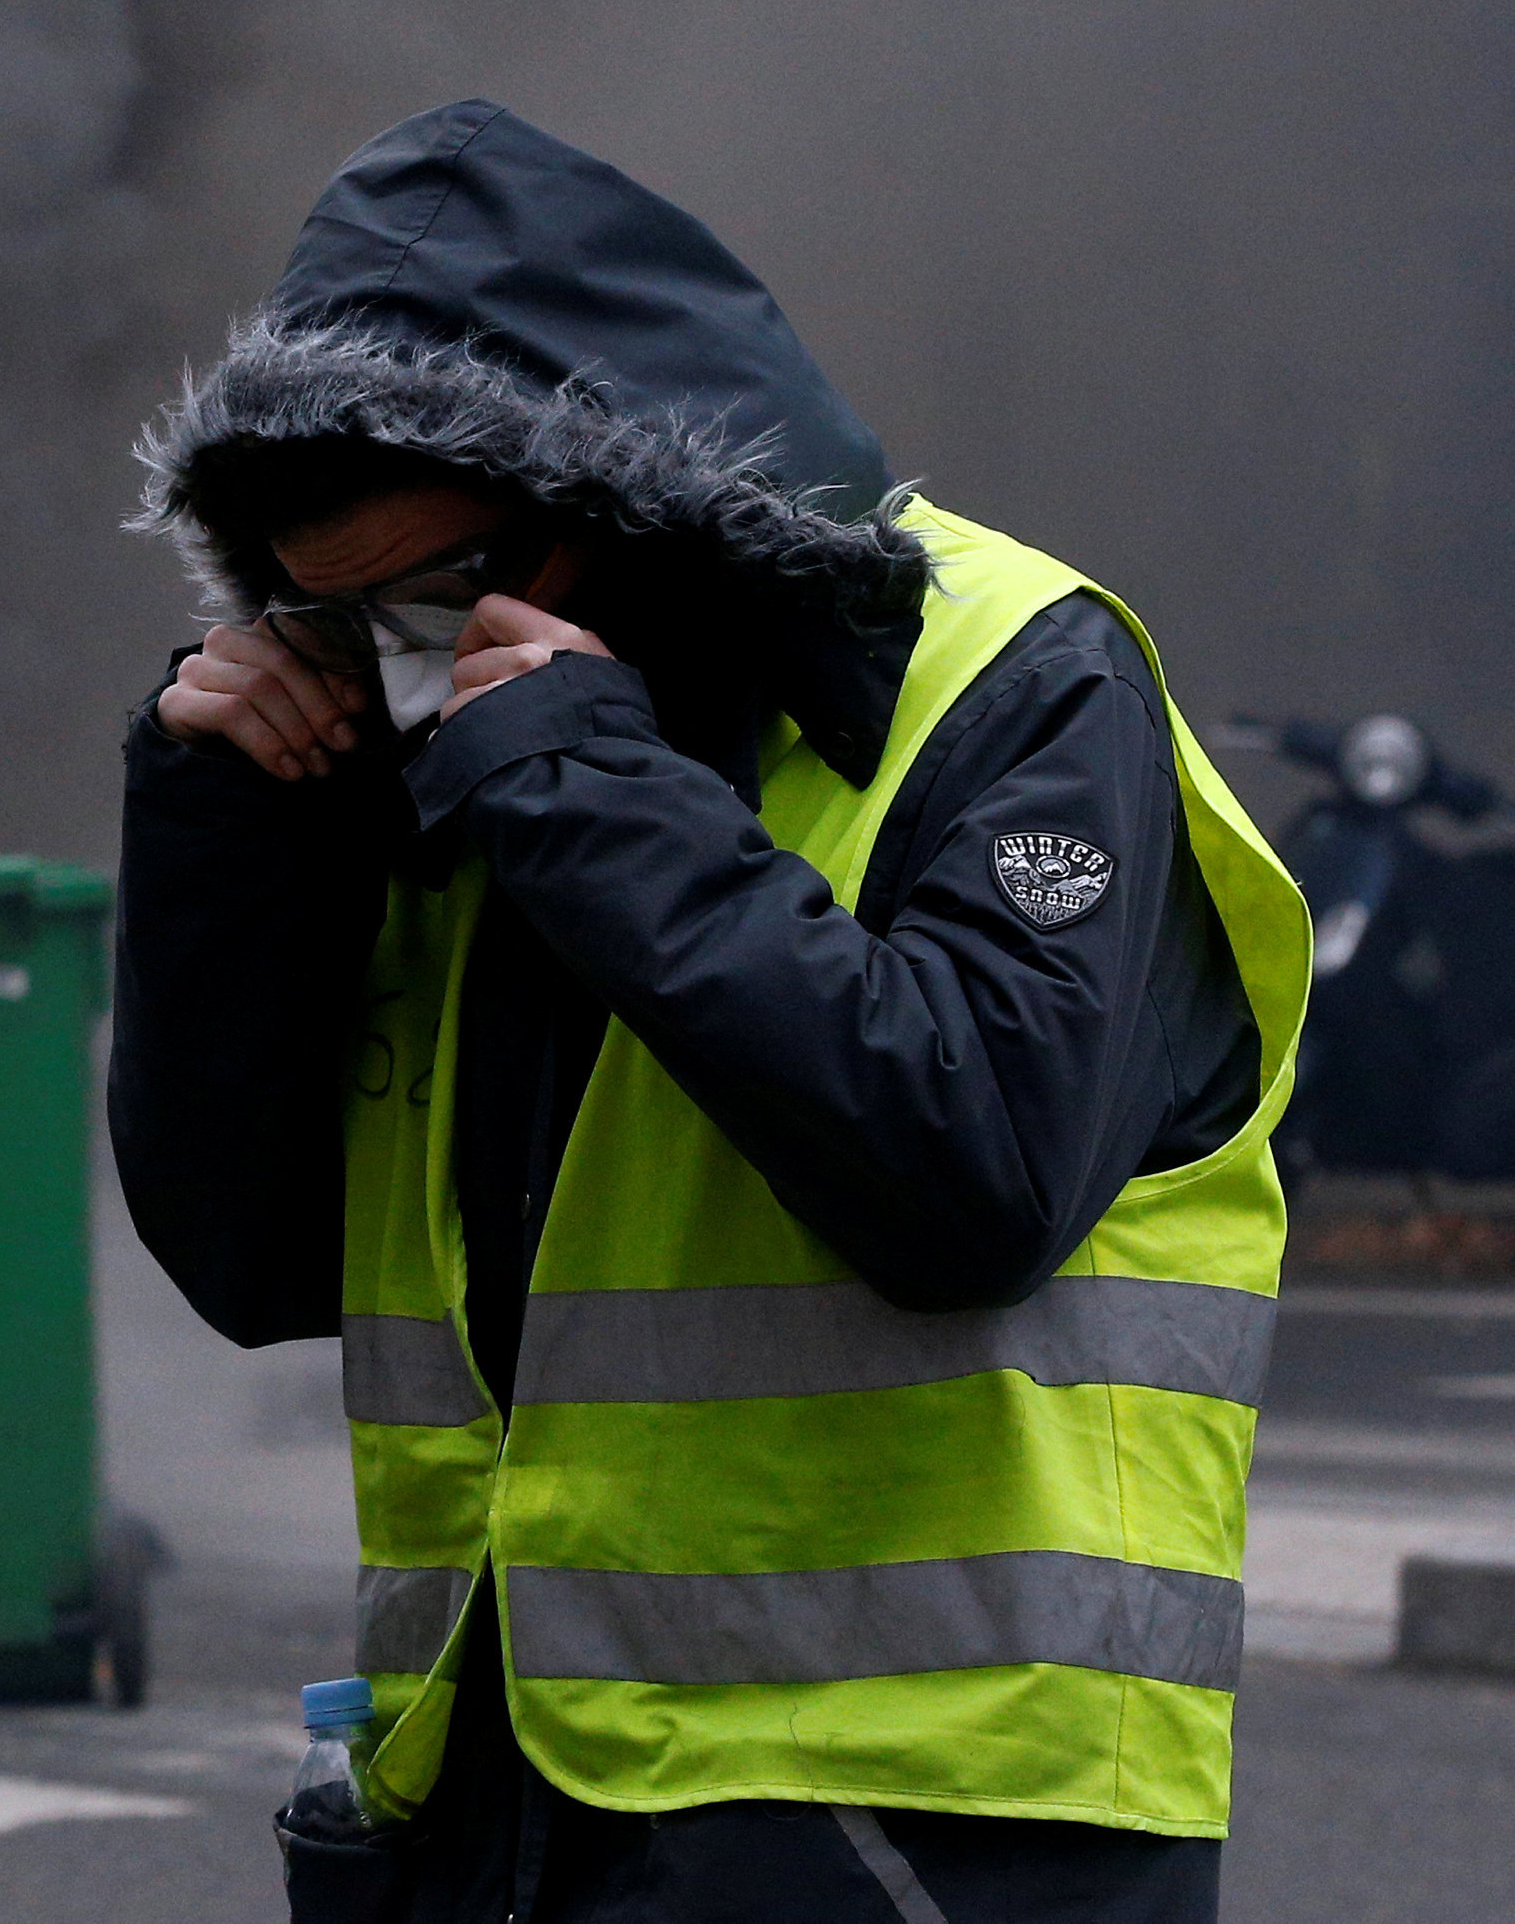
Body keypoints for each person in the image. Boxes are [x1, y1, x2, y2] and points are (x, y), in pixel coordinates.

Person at [110, 100, 1308, 1924]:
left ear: (612, 495)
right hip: (504, 1806)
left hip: (931, 1826)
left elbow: (969, 1174)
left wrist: (601, 797)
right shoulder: (452, 732)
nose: (404, 658)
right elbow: (258, 1257)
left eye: (437, 592)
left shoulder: (1010, 676)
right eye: (334, 619)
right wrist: (225, 836)